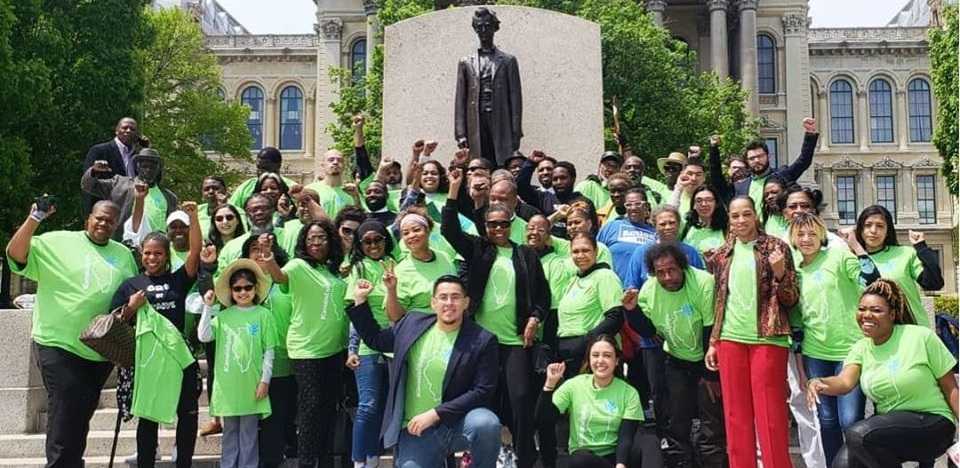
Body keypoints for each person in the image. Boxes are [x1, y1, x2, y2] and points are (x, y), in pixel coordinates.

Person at [6, 200, 138, 467]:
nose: (104, 223)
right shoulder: (56, 241)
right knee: (66, 406)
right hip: (57, 342)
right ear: (88, 219)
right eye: (99, 218)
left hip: (99, 349)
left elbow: (127, 297)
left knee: (81, 413)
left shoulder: (123, 254)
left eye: (110, 221)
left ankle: (71, 462)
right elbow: (16, 255)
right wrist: (35, 217)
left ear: (116, 225)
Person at [443, 167, 549, 468]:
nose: (498, 230)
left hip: (515, 340)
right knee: (481, 400)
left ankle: (524, 456)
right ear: (485, 226)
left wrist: (535, 319)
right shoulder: (478, 249)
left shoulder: (526, 254)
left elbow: (543, 296)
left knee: (519, 398)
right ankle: (477, 455)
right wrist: (454, 190)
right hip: (481, 340)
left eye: (503, 224)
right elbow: (449, 230)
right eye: (492, 225)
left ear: (511, 223)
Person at [348, 275, 503, 468]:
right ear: (433, 302)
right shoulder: (412, 324)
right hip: (415, 429)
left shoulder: (483, 339)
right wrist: (361, 300)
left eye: (455, 297)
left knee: (487, 424)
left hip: (458, 424)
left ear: (466, 303)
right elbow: (375, 339)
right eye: (443, 297)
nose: (449, 303)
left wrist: (436, 413)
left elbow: (483, 390)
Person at [806, 280, 959, 468]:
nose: (866, 315)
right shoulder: (861, 348)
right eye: (862, 309)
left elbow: (951, 387)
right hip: (889, 432)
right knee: (843, 463)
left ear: (892, 314)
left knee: (858, 434)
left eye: (876, 310)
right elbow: (844, 382)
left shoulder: (920, 337)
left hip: (933, 425)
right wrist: (819, 381)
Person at [704, 196, 799, 468]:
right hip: (730, 339)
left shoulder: (776, 248)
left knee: (771, 416)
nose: (741, 220)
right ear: (729, 220)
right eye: (735, 216)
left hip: (768, 338)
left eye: (746, 214)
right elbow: (719, 300)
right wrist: (714, 340)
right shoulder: (722, 254)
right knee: (735, 417)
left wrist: (781, 274)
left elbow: (791, 299)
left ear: (755, 215)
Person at [111, 202, 202, 468]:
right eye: (148, 254)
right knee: (148, 417)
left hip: (178, 357)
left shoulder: (178, 279)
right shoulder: (131, 285)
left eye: (158, 254)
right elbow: (113, 321)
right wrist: (131, 307)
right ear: (142, 255)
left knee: (187, 413)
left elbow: (195, 250)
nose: (152, 258)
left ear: (167, 255)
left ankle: (183, 462)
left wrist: (194, 217)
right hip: (147, 361)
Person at [789, 213, 881, 466]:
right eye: (800, 234)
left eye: (811, 233)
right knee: (826, 422)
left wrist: (856, 245)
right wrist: (800, 366)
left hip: (850, 351)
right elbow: (796, 323)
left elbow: (873, 281)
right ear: (793, 239)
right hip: (815, 354)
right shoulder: (795, 270)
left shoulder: (839, 256)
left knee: (850, 420)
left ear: (821, 235)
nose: (806, 239)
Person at [623, 243, 725, 468]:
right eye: (660, 272)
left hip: (708, 358)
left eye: (672, 270)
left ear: (683, 267)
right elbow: (649, 331)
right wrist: (632, 311)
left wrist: (709, 376)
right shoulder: (649, 289)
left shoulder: (702, 282)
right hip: (676, 361)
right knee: (677, 422)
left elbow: (711, 331)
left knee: (712, 424)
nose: (667, 277)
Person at [257, 220, 349, 468]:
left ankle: (326, 460)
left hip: (335, 349)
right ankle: (307, 463)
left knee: (330, 409)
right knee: (310, 409)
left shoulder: (333, 270)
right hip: (307, 350)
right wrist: (267, 255)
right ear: (303, 243)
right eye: (311, 238)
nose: (316, 243)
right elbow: (278, 276)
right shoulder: (298, 266)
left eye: (321, 237)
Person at [538, 336, 664, 468]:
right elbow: (542, 419)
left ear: (616, 361)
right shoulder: (574, 385)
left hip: (617, 456)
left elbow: (626, 435)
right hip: (587, 458)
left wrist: (620, 464)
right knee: (580, 459)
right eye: (595, 355)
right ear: (589, 359)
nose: (600, 360)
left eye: (607, 356)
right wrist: (549, 385)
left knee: (650, 441)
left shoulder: (629, 392)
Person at [199, 260, 276, 468]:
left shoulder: (264, 315)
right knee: (230, 433)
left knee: (249, 434)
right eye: (237, 288)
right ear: (231, 291)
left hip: (252, 384)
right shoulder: (223, 317)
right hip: (227, 387)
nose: (243, 292)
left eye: (248, 287)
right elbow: (204, 335)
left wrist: (265, 381)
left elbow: (269, 351)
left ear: (255, 289)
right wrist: (208, 307)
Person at [344, 220, 396, 468]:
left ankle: (373, 455)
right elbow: (355, 311)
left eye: (378, 240)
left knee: (384, 406)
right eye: (367, 241)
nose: (373, 245)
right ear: (360, 244)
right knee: (368, 405)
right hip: (368, 346)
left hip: (396, 343)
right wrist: (352, 348)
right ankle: (359, 460)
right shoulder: (359, 268)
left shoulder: (397, 264)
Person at [852, 205, 943, 327]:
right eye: (868, 225)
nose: (873, 230)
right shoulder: (851, 261)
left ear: (887, 230)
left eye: (880, 226)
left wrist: (922, 248)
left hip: (911, 331)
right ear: (860, 229)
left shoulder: (905, 253)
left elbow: (934, 283)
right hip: (871, 335)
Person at [455, 7, 523, 166]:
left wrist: (515, 133)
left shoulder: (508, 61)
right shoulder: (466, 62)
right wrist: (460, 134)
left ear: (495, 27)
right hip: (476, 120)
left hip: (501, 119)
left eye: (487, 25)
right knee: (479, 162)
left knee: (501, 162)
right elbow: (460, 100)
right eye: (479, 27)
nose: (483, 30)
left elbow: (516, 99)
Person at [708, 118, 819, 214]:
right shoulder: (740, 186)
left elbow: (803, 161)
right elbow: (716, 179)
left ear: (768, 156)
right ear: (747, 162)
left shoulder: (781, 177)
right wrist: (713, 149)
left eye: (760, 156)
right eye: (752, 158)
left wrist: (810, 134)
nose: (756, 160)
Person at [554, 234, 626, 378]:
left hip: (591, 354)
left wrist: (586, 344)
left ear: (596, 251)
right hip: (569, 354)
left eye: (585, 250)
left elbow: (615, 317)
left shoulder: (605, 276)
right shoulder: (574, 280)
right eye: (575, 251)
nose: (580, 255)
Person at [81, 147, 179, 240]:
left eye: (152, 167)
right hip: (124, 242)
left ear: (158, 170)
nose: (148, 170)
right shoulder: (120, 184)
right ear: (138, 167)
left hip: (154, 249)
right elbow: (88, 185)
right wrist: (93, 171)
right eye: (145, 166)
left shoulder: (169, 197)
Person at [385, 210, 458, 322]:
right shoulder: (401, 271)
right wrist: (391, 290)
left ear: (428, 230)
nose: (412, 235)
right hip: (421, 331)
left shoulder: (445, 257)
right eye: (406, 233)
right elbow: (395, 317)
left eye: (416, 230)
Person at [624, 205, 704, 289]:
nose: (668, 227)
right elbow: (631, 285)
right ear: (654, 226)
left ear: (679, 224)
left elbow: (700, 283)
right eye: (662, 224)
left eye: (672, 223)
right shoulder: (641, 252)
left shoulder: (690, 252)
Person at [82, 117, 148, 213]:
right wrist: (94, 170)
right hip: (105, 211)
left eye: (132, 129)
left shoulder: (138, 156)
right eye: (124, 128)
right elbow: (87, 183)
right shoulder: (100, 150)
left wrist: (146, 149)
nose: (128, 131)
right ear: (117, 131)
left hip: (133, 209)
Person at [598, 188, 656, 279]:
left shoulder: (655, 233)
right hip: (612, 286)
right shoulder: (611, 227)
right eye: (628, 205)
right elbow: (596, 253)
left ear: (646, 206)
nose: (633, 208)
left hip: (643, 289)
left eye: (638, 204)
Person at [229, 147, 297, 210]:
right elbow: (232, 210)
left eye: (265, 168)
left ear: (278, 166)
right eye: (258, 167)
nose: (260, 172)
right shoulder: (245, 188)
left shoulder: (292, 188)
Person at [518, 151, 582, 216]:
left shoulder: (580, 200)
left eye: (549, 169)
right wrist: (530, 163)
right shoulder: (541, 198)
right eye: (541, 170)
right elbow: (521, 187)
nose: (545, 172)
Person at [305, 149, 360, 218]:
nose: (335, 162)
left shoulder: (352, 192)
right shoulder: (310, 190)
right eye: (331, 160)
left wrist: (356, 197)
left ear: (344, 165)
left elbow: (359, 216)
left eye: (340, 160)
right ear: (323, 164)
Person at [679, 185, 728, 255]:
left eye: (709, 200)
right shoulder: (685, 226)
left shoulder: (727, 229)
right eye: (699, 201)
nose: (704, 204)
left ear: (716, 203)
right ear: (694, 205)